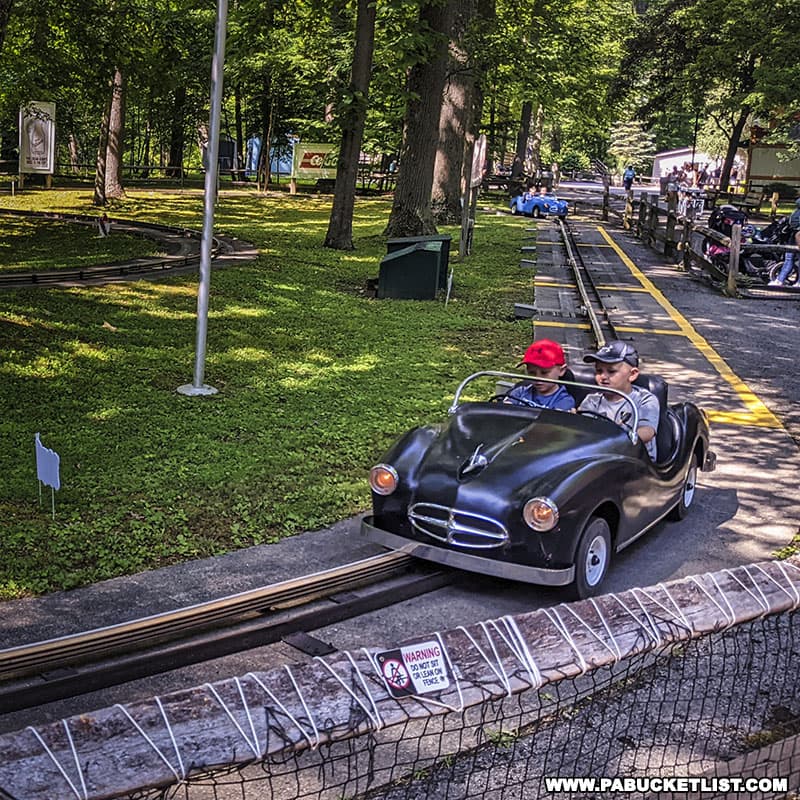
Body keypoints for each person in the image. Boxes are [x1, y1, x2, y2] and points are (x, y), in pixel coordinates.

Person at [578, 340, 659, 459]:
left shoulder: (645, 399)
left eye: (611, 371)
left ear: (632, 375)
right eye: (599, 371)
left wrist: (617, 441)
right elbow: (584, 430)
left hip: (637, 461)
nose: (603, 377)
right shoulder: (592, 400)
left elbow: (647, 431)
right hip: (600, 456)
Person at [505, 339, 576, 411]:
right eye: (532, 373)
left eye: (544, 372)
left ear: (561, 371)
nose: (538, 378)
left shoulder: (564, 402)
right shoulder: (519, 393)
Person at [768, 198, 800, 286]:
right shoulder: (797, 212)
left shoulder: (796, 212)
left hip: (795, 236)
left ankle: (782, 280)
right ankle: (781, 279)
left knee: (790, 259)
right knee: (789, 258)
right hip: (793, 237)